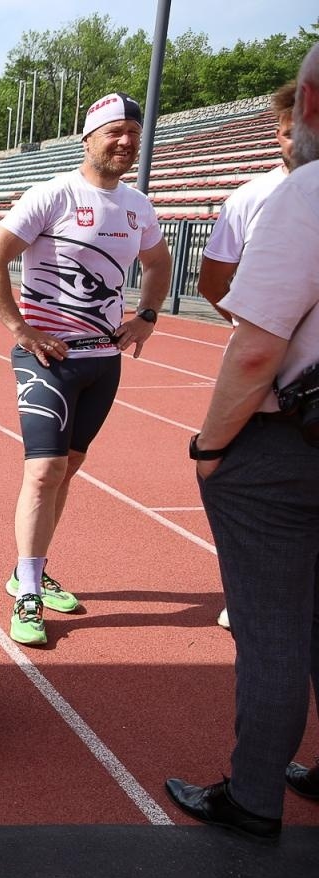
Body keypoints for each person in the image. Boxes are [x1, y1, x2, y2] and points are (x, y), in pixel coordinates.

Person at [165, 44, 319, 843]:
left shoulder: (306, 194)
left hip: (289, 440)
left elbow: (256, 349)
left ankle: (254, 795)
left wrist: (209, 449)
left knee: (272, 629)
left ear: (311, 104)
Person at [0, 91, 172, 647]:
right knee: (43, 471)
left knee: (67, 471)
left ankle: (26, 570)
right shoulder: (52, 195)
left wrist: (147, 317)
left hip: (104, 363)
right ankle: (28, 590)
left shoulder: (138, 205)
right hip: (48, 360)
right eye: (115, 131)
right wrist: (20, 329)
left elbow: (158, 264)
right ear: (89, 136)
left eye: (133, 132)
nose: (126, 141)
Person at [196, 82, 298, 631]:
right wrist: (251, 324)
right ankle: (250, 588)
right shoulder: (252, 198)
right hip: (275, 381)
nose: (295, 140)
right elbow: (214, 280)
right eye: (286, 129)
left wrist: (206, 446)